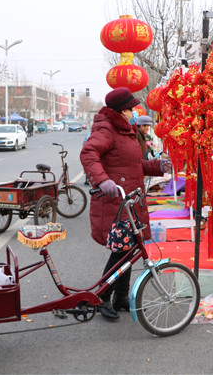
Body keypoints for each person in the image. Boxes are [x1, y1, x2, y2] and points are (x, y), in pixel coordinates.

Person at [80, 87, 170, 320]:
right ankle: (103, 297)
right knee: (121, 252)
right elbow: (88, 153)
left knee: (129, 250)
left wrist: (158, 166)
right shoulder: (107, 128)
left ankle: (121, 298)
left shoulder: (125, 130)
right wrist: (103, 181)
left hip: (130, 202)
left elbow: (134, 164)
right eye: (131, 108)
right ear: (121, 110)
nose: (134, 112)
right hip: (115, 202)